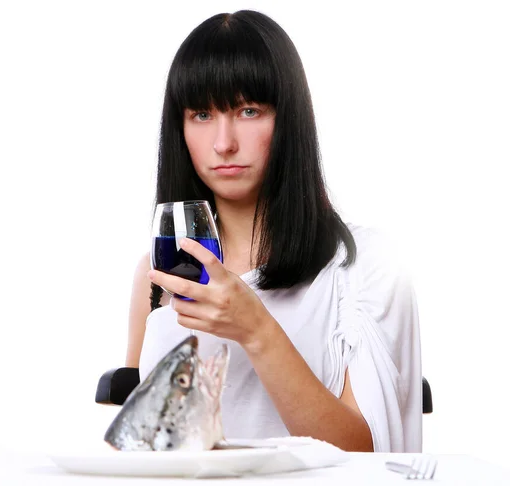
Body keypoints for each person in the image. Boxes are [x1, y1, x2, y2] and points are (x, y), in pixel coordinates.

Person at [125, 10, 421, 453]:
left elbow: (364, 456)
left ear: (289, 119)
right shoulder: (158, 271)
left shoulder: (365, 265)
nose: (223, 143)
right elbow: (136, 447)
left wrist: (256, 330)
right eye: (202, 114)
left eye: (249, 110)